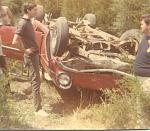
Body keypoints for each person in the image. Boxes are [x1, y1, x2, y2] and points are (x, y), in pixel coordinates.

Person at [12, 2, 48, 117]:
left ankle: (35, 102)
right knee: (36, 81)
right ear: (28, 10)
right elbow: (15, 41)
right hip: (31, 56)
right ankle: (38, 109)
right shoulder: (23, 23)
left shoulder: (28, 22)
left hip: (34, 55)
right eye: (34, 10)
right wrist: (25, 50)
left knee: (35, 79)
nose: (36, 12)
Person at [134, 14, 150, 93]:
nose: (140, 26)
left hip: (147, 80)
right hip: (139, 78)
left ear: (149, 26)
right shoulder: (145, 36)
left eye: (142, 24)